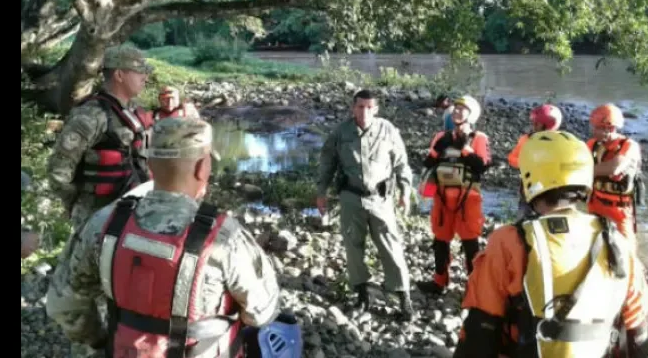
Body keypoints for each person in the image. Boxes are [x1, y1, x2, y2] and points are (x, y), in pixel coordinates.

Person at [45, 117, 291, 357]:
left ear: (150, 166)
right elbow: (262, 313)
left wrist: (100, 341)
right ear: (201, 168)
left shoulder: (104, 223)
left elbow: (64, 305)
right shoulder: (226, 237)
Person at [453, 130, 648, 358]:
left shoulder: (509, 240)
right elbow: (638, 331)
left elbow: (481, 327)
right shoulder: (617, 240)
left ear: (529, 180)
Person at [316, 89, 415, 320]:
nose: (365, 112)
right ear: (353, 108)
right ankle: (362, 296)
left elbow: (401, 163)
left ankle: (404, 297)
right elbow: (327, 163)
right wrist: (321, 192)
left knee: (391, 245)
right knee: (353, 247)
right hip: (351, 198)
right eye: (360, 107)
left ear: (376, 109)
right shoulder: (341, 132)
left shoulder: (388, 130)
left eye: (370, 107)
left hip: (380, 198)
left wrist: (405, 192)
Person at [46, 44, 154, 232]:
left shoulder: (134, 113)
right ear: (119, 75)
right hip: (95, 219)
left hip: (132, 213)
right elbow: (58, 171)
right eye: (139, 72)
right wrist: (77, 204)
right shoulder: (90, 116)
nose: (145, 77)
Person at [416, 95, 491, 295]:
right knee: (440, 241)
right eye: (455, 109)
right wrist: (440, 147)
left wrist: (464, 149)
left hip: (468, 198)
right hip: (442, 197)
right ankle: (439, 282)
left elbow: (482, 166)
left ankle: (474, 285)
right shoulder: (441, 137)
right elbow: (428, 163)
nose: (457, 112)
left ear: (470, 114)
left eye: (462, 109)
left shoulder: (479, 138)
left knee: (470, 243)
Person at [586, 103, 644, 246]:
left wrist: (581, 170)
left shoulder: (629, 146)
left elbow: (614, 168)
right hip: (595, 204)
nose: (593, 131)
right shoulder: (592, 144)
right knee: (592, 247)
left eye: (597, 128)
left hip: (619, 210)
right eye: (593, 127)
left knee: (626, 251)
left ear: (610, 128)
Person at [507, 104, 563, 217]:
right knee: (524, 218)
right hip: (530, 186)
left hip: (551, 189)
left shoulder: (561, 141)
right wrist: (528, 163)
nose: (533, 125)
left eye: (536, 123)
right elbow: (512, 159)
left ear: (546, 124)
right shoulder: (526, 139)